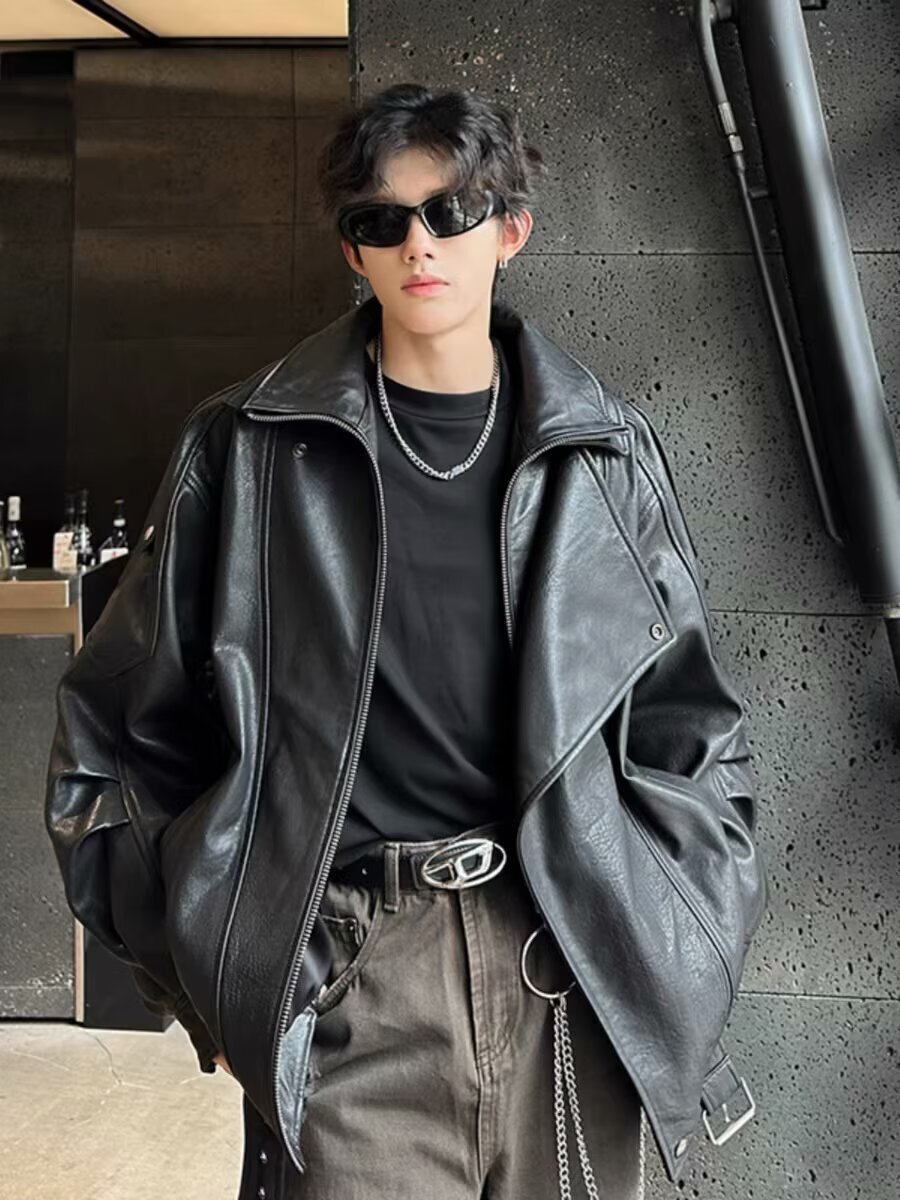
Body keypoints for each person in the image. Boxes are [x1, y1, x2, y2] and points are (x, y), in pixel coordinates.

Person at [45, 82, 768, 1200]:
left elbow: (692, 732)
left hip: (571, 971)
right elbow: (112, 742)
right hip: (352, 975)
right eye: (382, 220)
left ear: (510, 230)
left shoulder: (602, 455)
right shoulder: (248, 452)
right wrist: (215, 982)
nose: (418, 243)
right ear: (354, 249)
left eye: (451, 211)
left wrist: (682, 937)